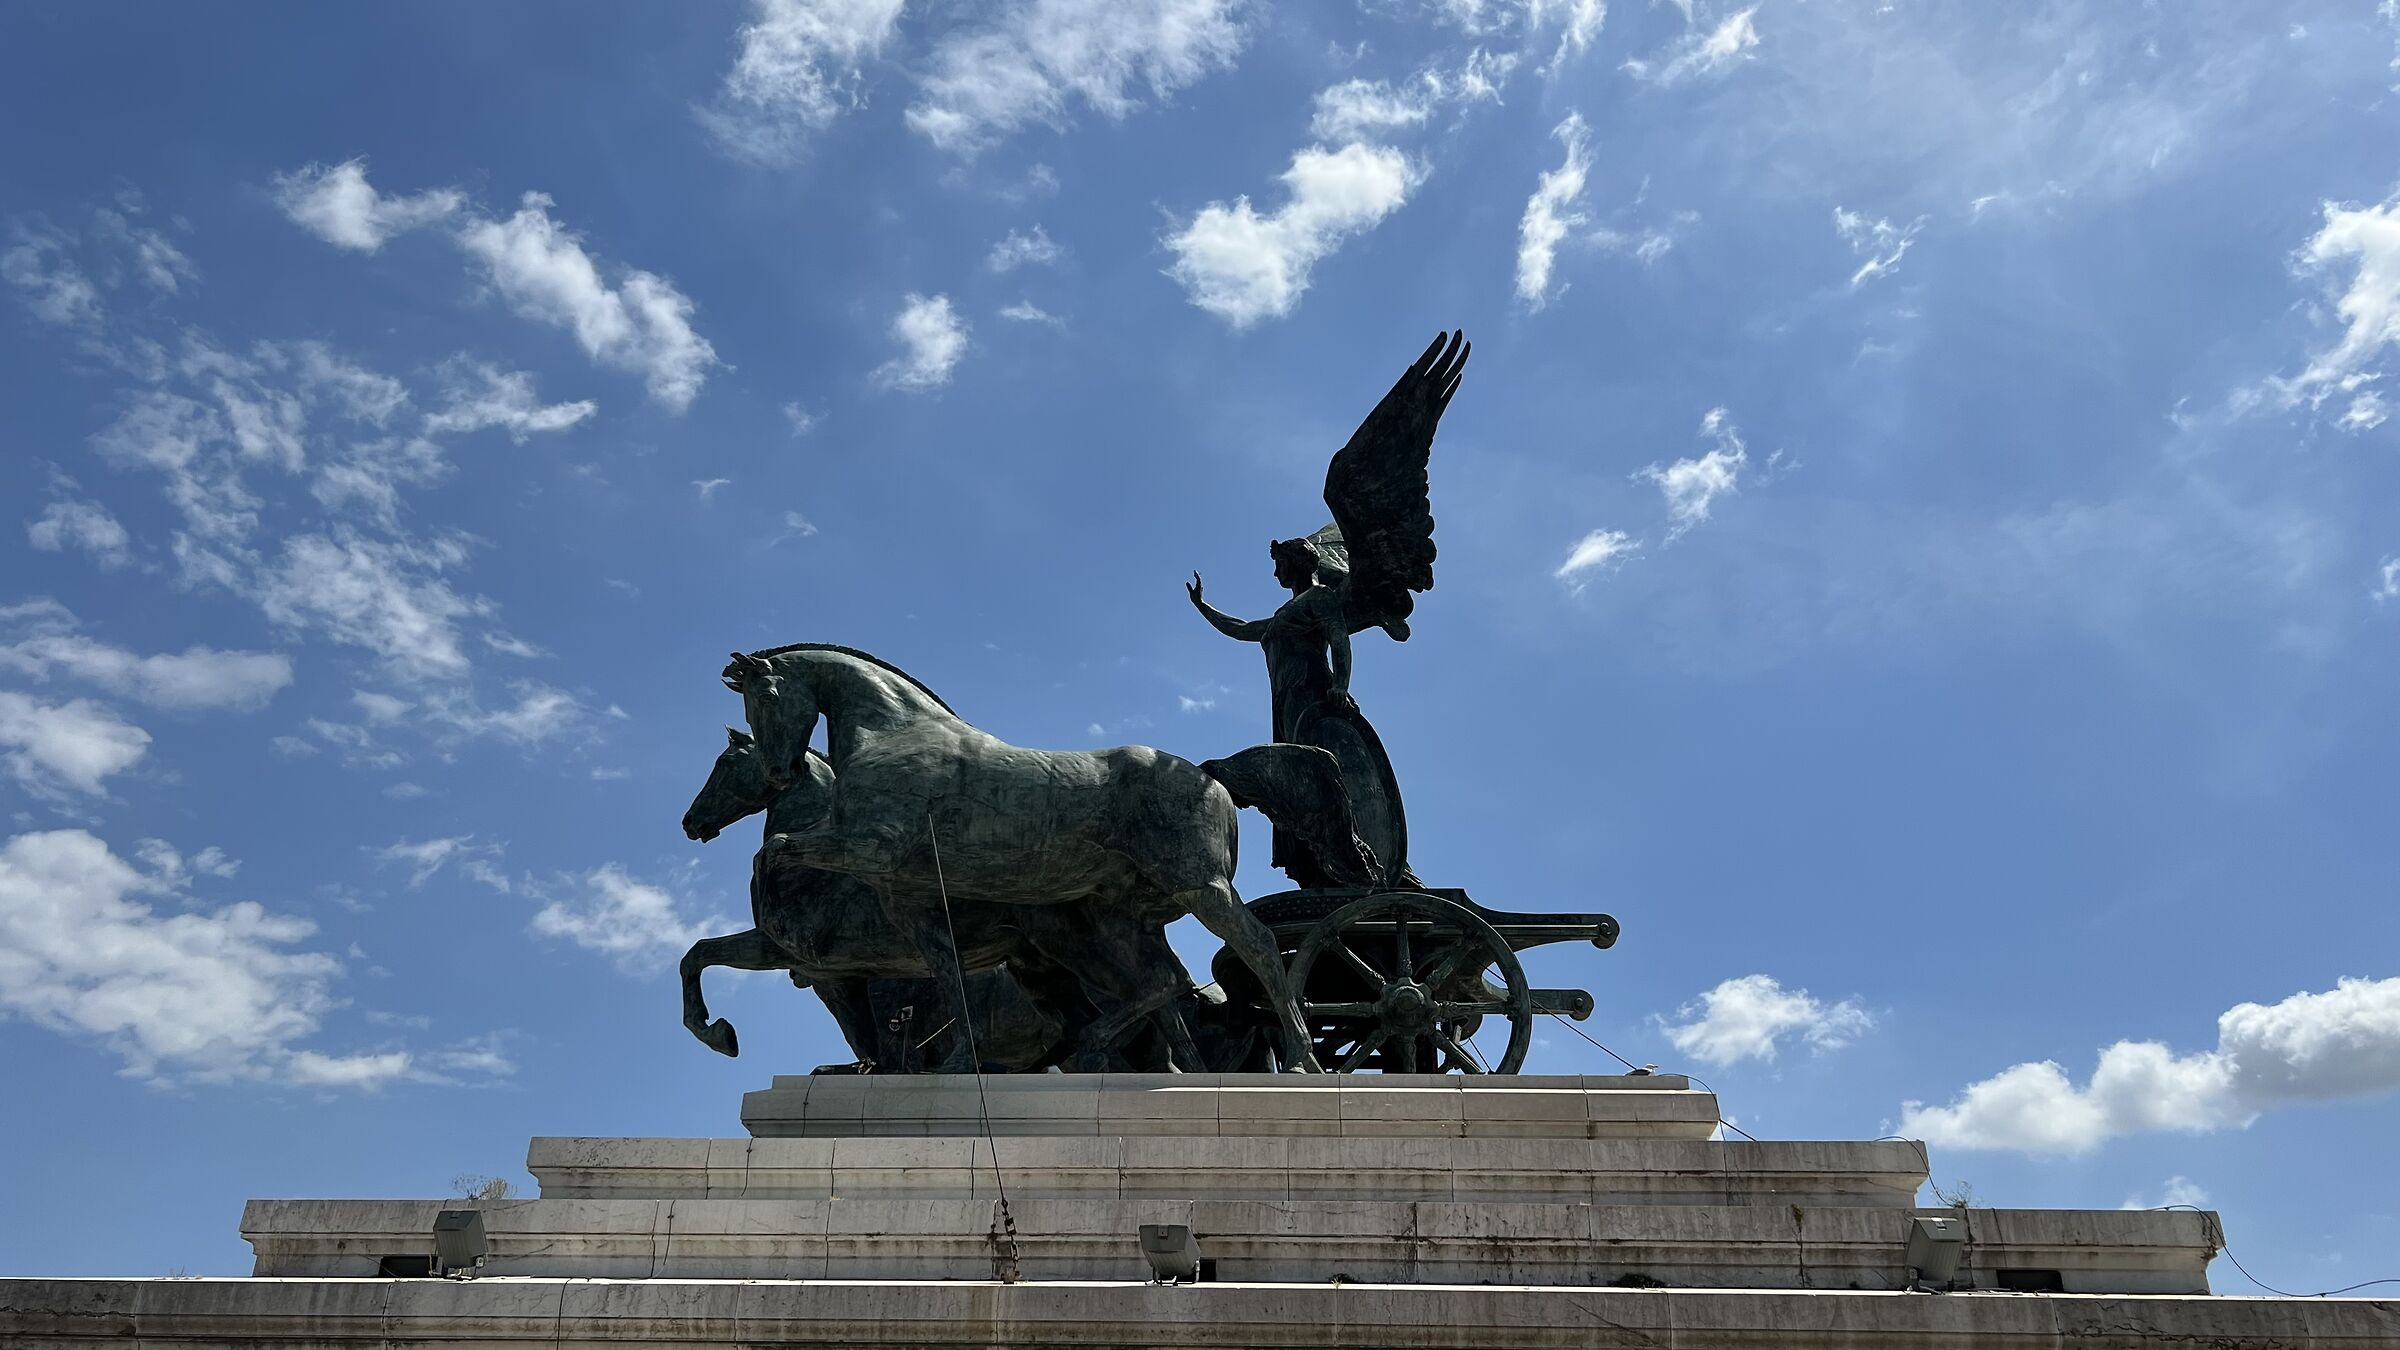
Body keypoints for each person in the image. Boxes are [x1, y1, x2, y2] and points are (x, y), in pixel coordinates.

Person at [1187, 535, 1413, 888]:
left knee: (1326, 779)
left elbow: (1339, 639)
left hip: (1312, 696)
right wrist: (1203, 606)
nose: (1276, 571)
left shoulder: (1320, 598)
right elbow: (1243, 628)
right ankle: (1318, 860)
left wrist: (1341, 685)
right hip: (1286, 704)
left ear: (1295, 563)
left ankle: (1362, 854)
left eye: (1279, 563)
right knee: (1299, 782)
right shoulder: (1284, 614)